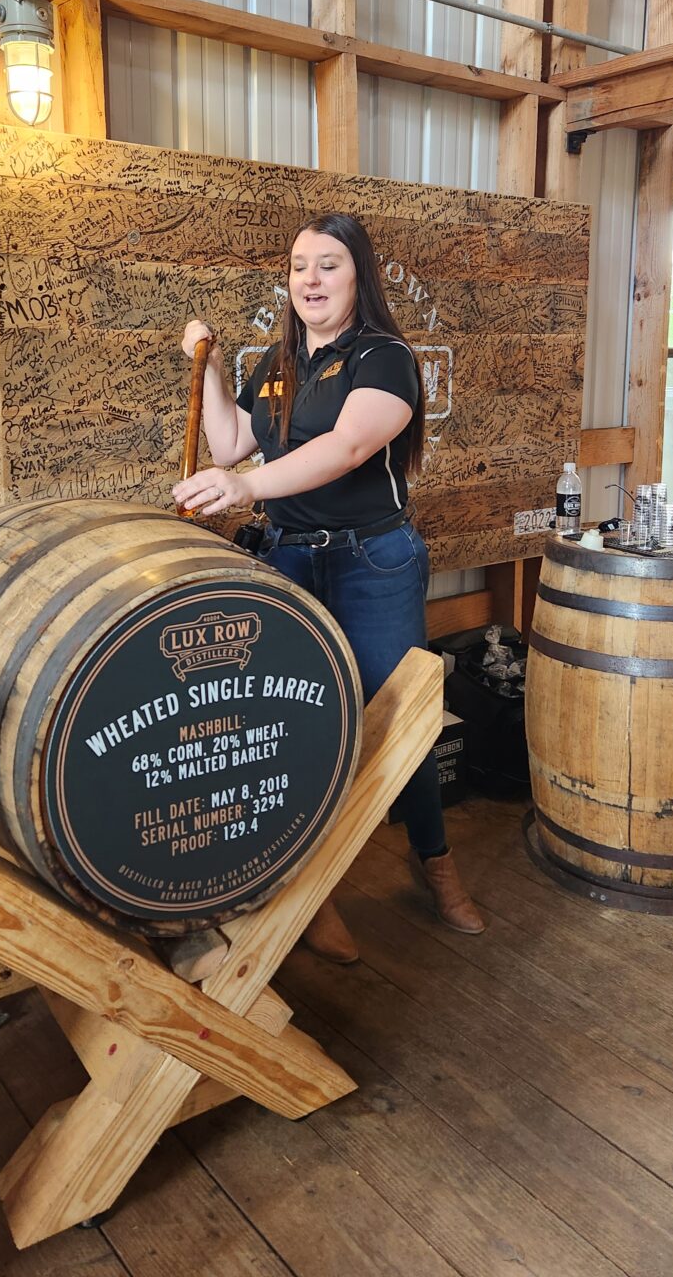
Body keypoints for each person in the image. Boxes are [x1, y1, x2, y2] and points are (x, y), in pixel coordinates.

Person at [171, 212, 485, 962]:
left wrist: (243, 488)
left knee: (397, 724)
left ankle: (434, 862)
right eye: (298, 266)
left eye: (328, 265)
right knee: (297, 728)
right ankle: (315, 894)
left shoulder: (386, 358)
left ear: (359, 276)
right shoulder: (277, 362)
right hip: (288, 561)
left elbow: (345, 449)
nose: (309, 279)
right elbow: (229, 444)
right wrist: (209, 367)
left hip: (371, 561)